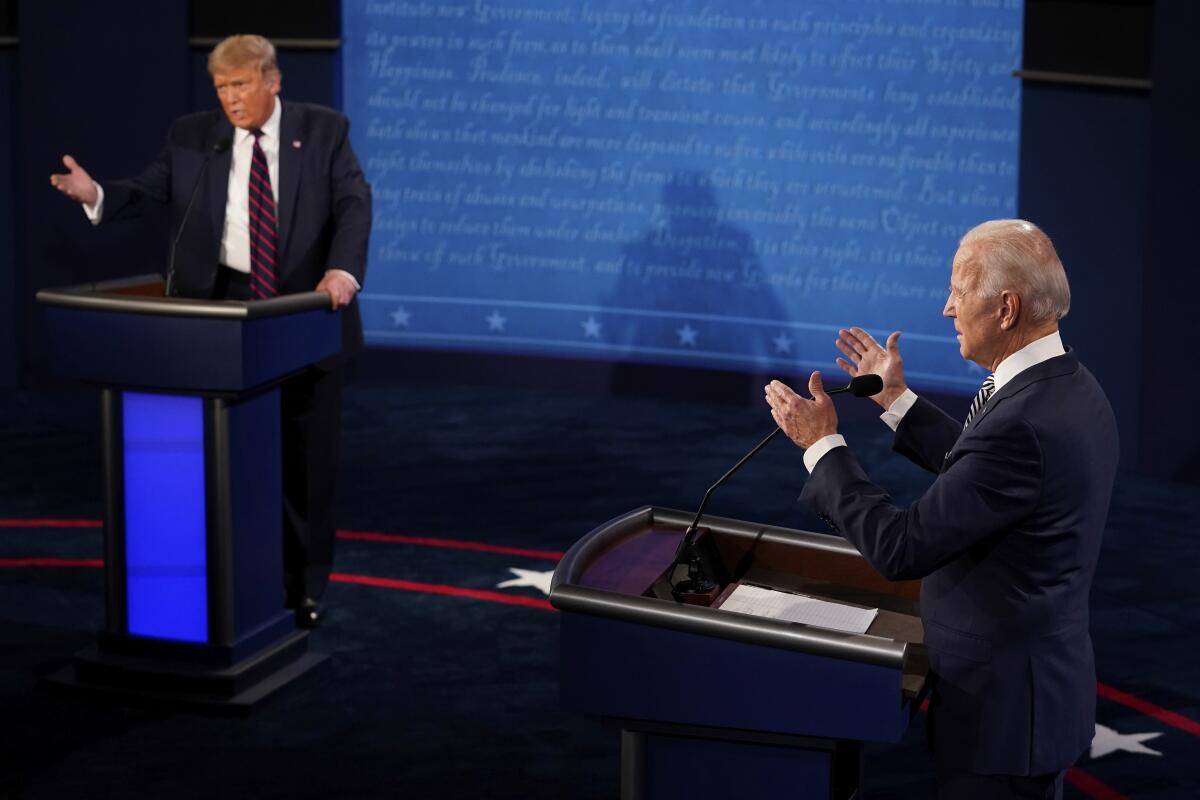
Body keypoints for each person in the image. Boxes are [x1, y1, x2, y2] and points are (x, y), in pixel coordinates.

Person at [764, 219, 1118, 799]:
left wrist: (822, 446)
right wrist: (894, 400)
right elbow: (986, 479)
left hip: (1003, 717)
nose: (947, 308)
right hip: (1031, 694)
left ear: (1006, 308)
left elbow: (901, 547)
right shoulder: (1068, 385)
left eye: (959, 291)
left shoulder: (1023, 422)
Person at [50, 34, 373, 628]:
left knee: (305, 463)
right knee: (226, 458)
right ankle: (231, 574)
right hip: (222, 322)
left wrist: (344, 268)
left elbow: (354, 201)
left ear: (272, 81)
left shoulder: (324, 129)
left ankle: (303, 587)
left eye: (241, 85)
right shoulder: (193, 135)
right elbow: (146, 190)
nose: (230, 98)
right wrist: (97, 194)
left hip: (305, 314)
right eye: (222, 87)